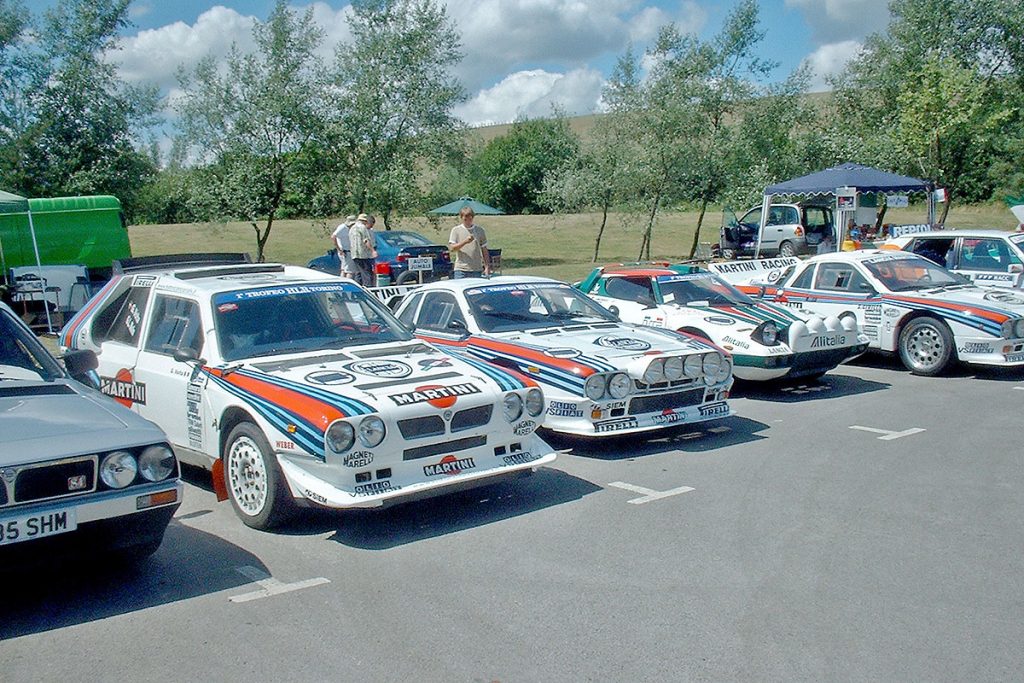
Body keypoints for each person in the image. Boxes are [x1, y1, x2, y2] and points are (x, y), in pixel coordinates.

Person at [448, 206, 490, 279]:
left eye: (470, 219)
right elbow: (452, 248)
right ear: (461, 218)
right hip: (461, 269)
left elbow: (484, 250)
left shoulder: (479, 230)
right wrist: (465, 242)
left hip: (476, 269)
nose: (468, 221)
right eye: (465, 219)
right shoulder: (456, 230)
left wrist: (487, 267)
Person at [349, 213, 378, 287]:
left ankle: (356, 291)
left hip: (354, 254)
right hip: (363, 255)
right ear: (365, 221)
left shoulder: (352, 228)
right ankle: (369, 289)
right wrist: (373, 251)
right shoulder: (362, 228)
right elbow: (366, 240)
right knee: (366, 273)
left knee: (359, 273)